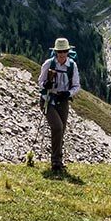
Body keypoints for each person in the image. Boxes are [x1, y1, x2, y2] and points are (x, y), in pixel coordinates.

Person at [38, 37, 81, 172]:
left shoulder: (72, 66)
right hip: (48, 100)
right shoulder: (48, 64)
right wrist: (46, 84)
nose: (62, 54)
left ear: (68, 51)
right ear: (56, 52)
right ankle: (55, 161)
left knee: (61, 130)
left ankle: (58, 160)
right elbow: (40, 81)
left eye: (64, 51)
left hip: (63, 101)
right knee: (57, 127)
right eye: (60, 51)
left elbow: (76, 86)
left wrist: (68, 94)